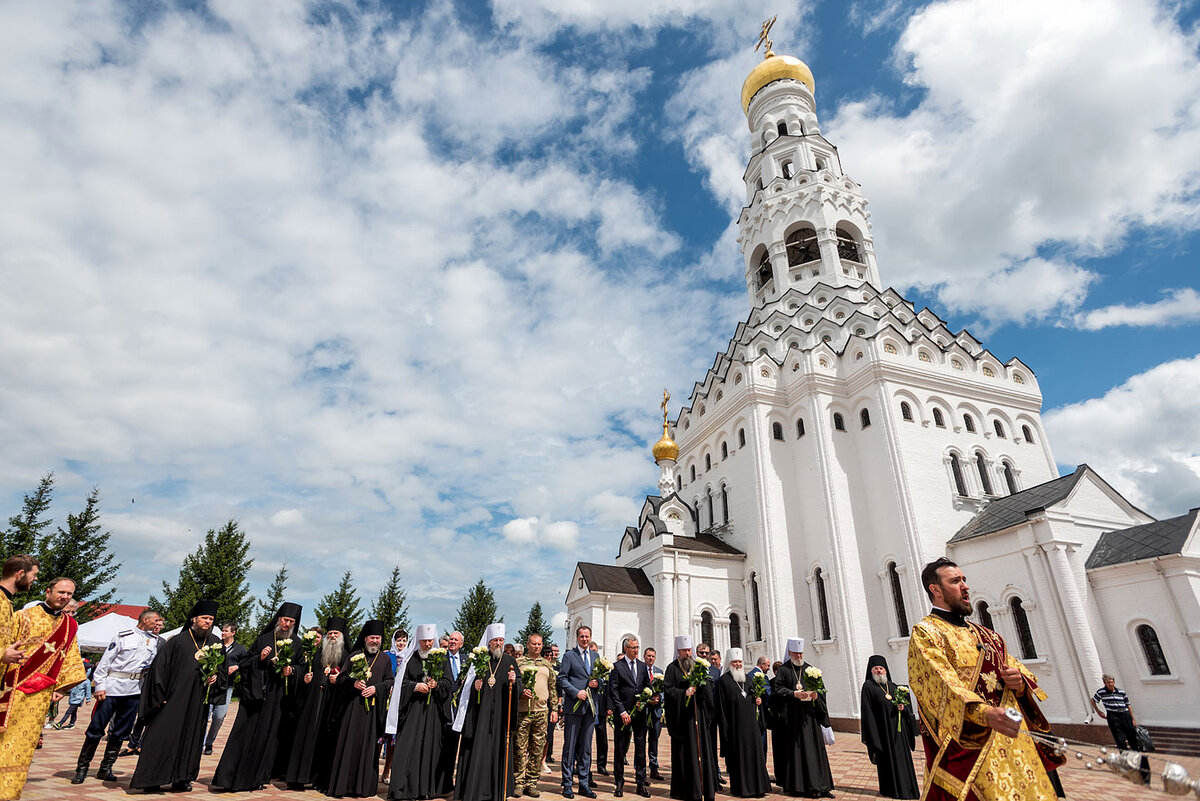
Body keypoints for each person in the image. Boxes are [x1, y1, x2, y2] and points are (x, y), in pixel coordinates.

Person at [908, 557, 1061, 801]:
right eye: (956, 581)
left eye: (964, 580)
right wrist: (984, 714)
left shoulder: (988, 635)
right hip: (972, 750)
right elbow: (939, 684)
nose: (965, 586)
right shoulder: (926, 633)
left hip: (1016, 748)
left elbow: (1018, 674)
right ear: (935, 590)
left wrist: (1019, 683)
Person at [0, 577, 86, 799]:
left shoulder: (70, 625)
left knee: (23, 745)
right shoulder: (24, 616)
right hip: (11, 689)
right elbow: (4, 647)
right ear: (48, 591)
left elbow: (70, 659)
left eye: (69, 594)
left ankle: (9, 793)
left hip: (39, 696)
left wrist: (63, 688)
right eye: (61, 592)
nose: (64, 597)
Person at [128, 599, 225, 792]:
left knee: (192, 739)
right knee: (161, 737)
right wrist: (159, 696)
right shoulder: (177, 642)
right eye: (204, 618)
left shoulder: (215, 643)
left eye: (211, 619)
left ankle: (182, 778)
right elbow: (158, 671)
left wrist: (216, 677)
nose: (208, 622)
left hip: (198, 703)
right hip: (172, 700)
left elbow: (222, 673)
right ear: (194, 619)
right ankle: (152, 780)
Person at [211, 600, 303, 792]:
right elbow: (245, 663)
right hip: (255, 697)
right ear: (279, 619)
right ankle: (230, 778)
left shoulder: (297, 643)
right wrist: (260, 659)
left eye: (291, 622)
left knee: (268, 737)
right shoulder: (263, 639)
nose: (287, 624)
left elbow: (301, 667)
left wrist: (292, 670)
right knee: (245, 734)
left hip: (278, 699)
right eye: (285, 620)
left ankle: (258, 778)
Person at [70, 607, 162, 783]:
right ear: (145, 620)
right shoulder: (123, 637)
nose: (158, 623)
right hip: (112, 688)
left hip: (134, 689)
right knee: (96, 729)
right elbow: (105, 664)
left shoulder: (154, 641)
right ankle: (82, 768)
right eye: (155, 620)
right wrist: (100, 686)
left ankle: (106, 768)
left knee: (121, 731)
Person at [325, 619, 395, 798]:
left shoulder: (385, 659)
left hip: (371, 713)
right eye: (372, 637)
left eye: (378, 638)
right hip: (352, 710)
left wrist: (376, 688)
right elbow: (340, 679)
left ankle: (363, 787)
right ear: (365, 638)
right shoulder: (355, 655)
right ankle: (343, 786)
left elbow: (389, 681)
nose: (375, 641)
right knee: (348, 745)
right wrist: (353, 683)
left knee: (368, 748)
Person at [454, 622, 523, 801]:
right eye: (495, 640)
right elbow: (466, 687)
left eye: (501, 640)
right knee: (479, 750)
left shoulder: (509, 661)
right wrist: (475, 687)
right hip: (481, 717)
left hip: (500, 716)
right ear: (489, 642)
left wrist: (514, 682)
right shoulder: (479, 661)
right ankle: (476, 788)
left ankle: (497, 790)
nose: (498, 643)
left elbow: (519, 687)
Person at [387, 623, 454, 800]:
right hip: (413, 711)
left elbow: (449, 683)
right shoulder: (411, 658)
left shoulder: (442, 659)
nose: (427, 645)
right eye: (424, 641)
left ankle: (426, 789)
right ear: (418, 641)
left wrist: (437, 685)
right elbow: (401, 683)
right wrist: (416, 686)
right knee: (409, 747)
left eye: (430, 641)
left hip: (433, 713)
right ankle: (405, 789)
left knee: (431, 748)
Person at [767, 637, 833, 798]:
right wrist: (793, 694)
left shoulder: (811, 669)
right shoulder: (784, 670)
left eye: (801, 653)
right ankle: (799, 787)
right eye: (796, 653)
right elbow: (777, 690)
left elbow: (821, 689)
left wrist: (817, 695)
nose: (799, 656)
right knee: (797, 753)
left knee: (816, 752)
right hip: (793, 719)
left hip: (810, 718)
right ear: (790, 653)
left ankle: (821, 785)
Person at [663, 634, 716, 801]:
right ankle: (685, 790)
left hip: (698, 717)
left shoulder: (698, 667)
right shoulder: (672, 669)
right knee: (684, 754)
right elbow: (668, 691)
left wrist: (702, 685)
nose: (687, 653)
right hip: (682, 720)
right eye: (684, 650)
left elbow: (707, 692)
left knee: (701, 751)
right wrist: (683, 693)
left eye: (689, 650)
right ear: (678, 651)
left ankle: (703, 788)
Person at [859, 655, 918, 799]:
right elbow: (867, 712)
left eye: (881, 668)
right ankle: (891, 790)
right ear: (871, 671)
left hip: (899, 734)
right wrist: (873, 736)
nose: (879, 671)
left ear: (885, 670)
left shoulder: (894, 687)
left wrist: (903, 708)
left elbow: (907, 709)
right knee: (887, 763)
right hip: (882, 732)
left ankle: (908, 789)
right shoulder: (868, 686)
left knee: (903, 761)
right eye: (876, 668)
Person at [714, 649, 770, 798]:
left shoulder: (748, 679)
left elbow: (753, 699)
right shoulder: (723, 681)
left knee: (755, 757)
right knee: (739, 760)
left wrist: (758, 701)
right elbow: (721, 708)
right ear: (729, 663)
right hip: (735, 728)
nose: (738, 664)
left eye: (739, 662)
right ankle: (743, 789)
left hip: (751, 728)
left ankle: (759, 787)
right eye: (735, 662)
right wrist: (725, 730)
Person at [607, 636, 654, 798]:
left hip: (640, 714)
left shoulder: (642, 667)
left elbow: (647, 686)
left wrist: (648, 699)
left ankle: (641, 782)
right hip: (623, 715)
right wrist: (622, 711)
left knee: (641, 749)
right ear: (626, 648)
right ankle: (619, 782)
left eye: (637, 647)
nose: (636, 650)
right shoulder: (617, 667)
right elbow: (613, 691)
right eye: (633, 648)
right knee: (620, 748)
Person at [309, 618, 352, 793]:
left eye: (336, 633)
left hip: (334, 704)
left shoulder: (348, 654)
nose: (332, 636)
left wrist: (339, 680)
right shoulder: (319, 652)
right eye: (330, 633)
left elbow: (349, 679)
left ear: (342, 636)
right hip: (317, 701)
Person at [558, 625, 600, 799]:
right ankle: (567, 784)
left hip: (590, 709)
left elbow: (600, 678)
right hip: (573, 708)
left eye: (587, 636)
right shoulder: (569, 656)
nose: (584, 639)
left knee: (586, 749)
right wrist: (576, 692)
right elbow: (561, 678)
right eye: (582, 636)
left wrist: (598, 682)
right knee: (570, 747)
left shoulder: (596, 656)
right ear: (577, 637)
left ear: (590, 637)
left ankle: (583, 784)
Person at [515, 632, 558, 797]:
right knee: (519, 748)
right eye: (533, 644)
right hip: (523, 711)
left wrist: (554, 709)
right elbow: (513, 684)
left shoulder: (547, 665)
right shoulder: (519, 663)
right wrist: (521, 693)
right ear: (527, 645)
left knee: (537, 749)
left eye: (539, 644)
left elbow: (553, 688)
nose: (537, 646)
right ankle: (518, 782)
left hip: (541, 712)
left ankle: (531, 782)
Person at [1090, 673, 1149, 784]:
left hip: (1125, 715)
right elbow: (1093, 700)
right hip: (1113, 716)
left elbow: (1128, 705)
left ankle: (1137, 761)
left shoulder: (1120, 691)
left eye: (1112, 682)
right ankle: (1126, 762)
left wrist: (1133, 719)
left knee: (1132, 738)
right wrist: (1098, 712)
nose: (1111, 684)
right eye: (1108, 682)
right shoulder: (1101, 692)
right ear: (1105, 683)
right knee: (1120, 739)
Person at [204, 622, 249, 755]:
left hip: (226, 687)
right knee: (205, 715)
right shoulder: (215, 646)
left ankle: (209, 742)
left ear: (233, 632)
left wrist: (237, 667)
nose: (223, 633)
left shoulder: (240, 649)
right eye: (222, 631)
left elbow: (246, 664)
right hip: (211, 685)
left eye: (225, 631)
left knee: (219, 716)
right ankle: (201, 743)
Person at [381, 627, 409, 785]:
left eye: (404, 640)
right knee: (381, 737)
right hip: (386, 700)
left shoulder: (409, 657)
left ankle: (387, 770)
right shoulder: (387, 656)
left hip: (400, 702)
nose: (401, 643)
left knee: (394, 739)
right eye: (399, 640)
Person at [697, 643, 723, 787]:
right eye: (702, 653)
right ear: (697, 653)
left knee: (712, 746)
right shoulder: (693, 669)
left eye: (706, 653)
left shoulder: (715, 671)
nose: (705, 655)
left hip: (711, 716)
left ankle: (714, 776)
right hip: (697, 715)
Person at [643, 647, 665, 781]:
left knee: (654, 740)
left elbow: (663, 690)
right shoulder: (640, 671)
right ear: (644, 656)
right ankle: (640, 769)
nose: (650, 658)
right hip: (644, 711)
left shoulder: (659, 672)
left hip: (656, 712)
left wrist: (659, 698)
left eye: (653, 656)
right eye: (648, 656)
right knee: (641, 741)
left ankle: (654, 768)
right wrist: (647, 699)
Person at [54, 657, 93, 729]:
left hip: (78, 698)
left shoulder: (87, 681)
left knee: (69, 711)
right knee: (74, 711)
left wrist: (88, 700)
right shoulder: (76, 679)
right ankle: (72, 723)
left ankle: (60, 723)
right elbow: (71, 687)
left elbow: (88, 691)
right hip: (72, 697)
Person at [744, 657, 770, 753]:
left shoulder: (748, 675)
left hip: (750, 713)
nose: (768, 668)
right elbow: (768, 694)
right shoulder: (762, 677)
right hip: (761, 712)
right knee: (761, 741)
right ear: (762, 665)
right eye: (767, 665)